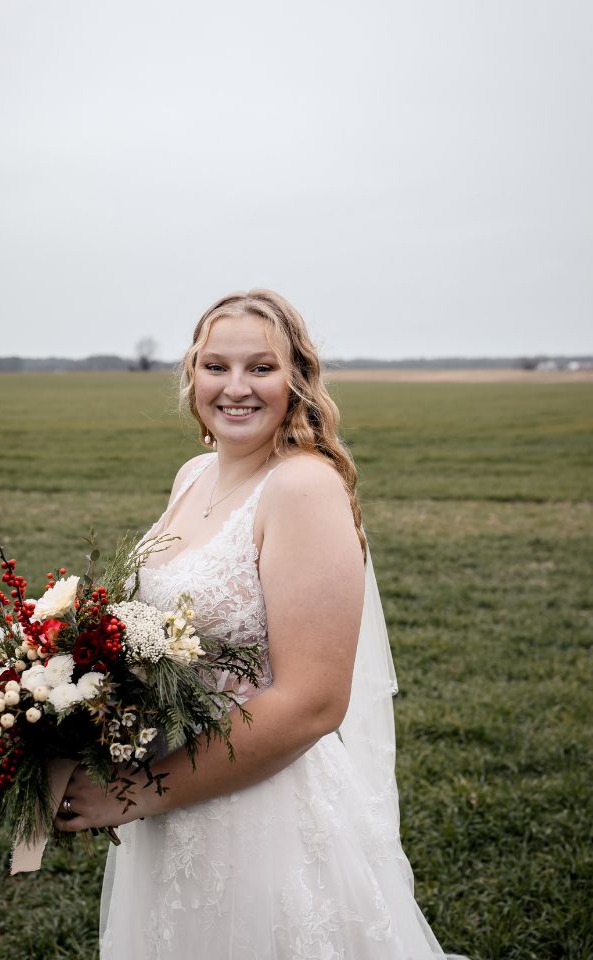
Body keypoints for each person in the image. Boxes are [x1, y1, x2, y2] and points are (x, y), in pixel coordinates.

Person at [55, 290, 466, 959]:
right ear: (192, 376)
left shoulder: (303, 487)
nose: (235, 387)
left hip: (260, 819)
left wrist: (133, 794)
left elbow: (312, 703)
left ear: (297, 379)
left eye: (261, 368)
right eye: (216, 366)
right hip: (167, 809)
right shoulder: (193, 474)